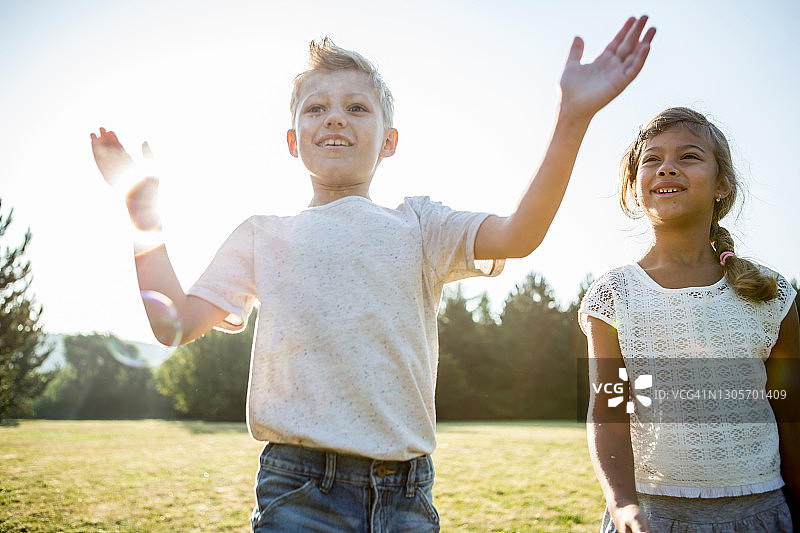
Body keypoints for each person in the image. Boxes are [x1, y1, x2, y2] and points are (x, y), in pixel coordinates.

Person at [91, 17, 655, 532]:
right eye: (315, 108)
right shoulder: (262, 235)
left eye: (357, 107)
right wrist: (143, 216)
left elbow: (519, 233)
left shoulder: (420, 224)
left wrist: (572, 119)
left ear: (390, 141)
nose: (334, 116)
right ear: (292, 141)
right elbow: (174, 325)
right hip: (299, 490)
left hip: (407, 492)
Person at [579, 107, 800, 533]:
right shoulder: (614, 297)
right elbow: (610, 412)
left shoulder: (771, 295)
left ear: (723, 184)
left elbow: (791, 412)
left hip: (761, 513)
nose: (667, 169)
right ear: (634, 186)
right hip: (652, 516)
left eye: (689, 157)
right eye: (652, 160)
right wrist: (623, 503)